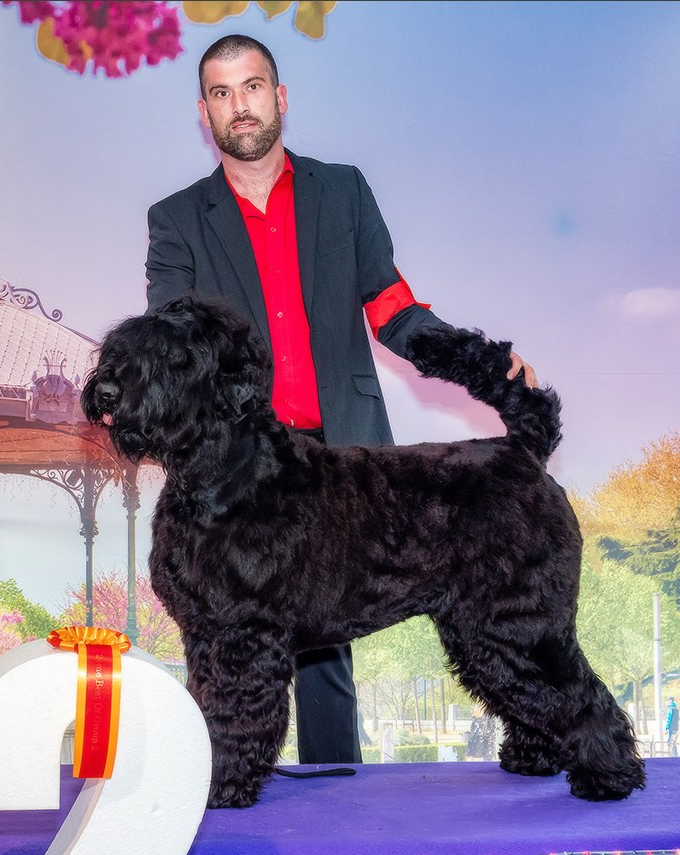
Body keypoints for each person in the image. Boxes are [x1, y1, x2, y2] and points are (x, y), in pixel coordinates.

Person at [144, 34, 537, 764]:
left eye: (253, 86)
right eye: (223, 94)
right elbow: (177, 336)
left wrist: (483, 359)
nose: (241, 106)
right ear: (205, 113)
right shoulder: (174, 219)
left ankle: (334, 784)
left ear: (280, 96)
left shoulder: (344, 189)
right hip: (247, 473)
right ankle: (224, 768)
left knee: (329, 647)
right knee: (236, 640)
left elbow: (391, 307)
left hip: (343, 448)